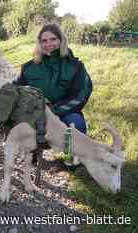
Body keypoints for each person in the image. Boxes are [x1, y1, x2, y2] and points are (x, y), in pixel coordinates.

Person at [12, 23, 92, 165]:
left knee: (77, 123)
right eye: (44, 40)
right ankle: (32, 151)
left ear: (61, 40)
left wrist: (53, 111)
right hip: (36, 114)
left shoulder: (76, 66)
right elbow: (15, 89)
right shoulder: (29, 67)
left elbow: (82, 94)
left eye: (53, 39)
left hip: (65, 112)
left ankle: (71, 158)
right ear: (39, 43)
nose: (49, 44)